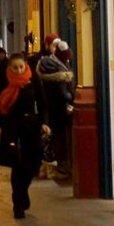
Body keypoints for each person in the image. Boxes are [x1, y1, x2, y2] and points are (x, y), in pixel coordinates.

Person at [0, 53, 50, 219]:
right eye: (15, 67)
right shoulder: (5, 82)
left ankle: (23, 191)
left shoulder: (33, 81)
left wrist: (44, 122)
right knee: (18, 166)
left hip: (32, 128)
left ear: (25, 66)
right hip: (13, 129)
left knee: (33, 165)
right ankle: (18, 203)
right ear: (9, 68)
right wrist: (3, 124)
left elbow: (42, 103)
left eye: (21, 67)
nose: (19, 70)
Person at [37, 39, 74, 178]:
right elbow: (63, 92)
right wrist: (71, 96)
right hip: (58, 108)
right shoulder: (59, 69)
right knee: (58, 138)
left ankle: (48, 168)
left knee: (51, 138)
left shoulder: (46, 64)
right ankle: (60, 167)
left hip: (49, 107)